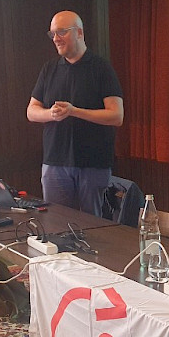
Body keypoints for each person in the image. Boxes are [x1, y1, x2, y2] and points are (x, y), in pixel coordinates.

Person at [27, 11, 124, 214]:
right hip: (55, 162)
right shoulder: (49, 69)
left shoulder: (101, 68)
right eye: (53, 34)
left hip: (93, 163)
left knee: (93, 226)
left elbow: (116, 116)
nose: (56, 38)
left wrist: (74, 111)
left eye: (61, 32)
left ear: (79, 32)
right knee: (56, 224)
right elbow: (31, 111)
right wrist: (51, 114)